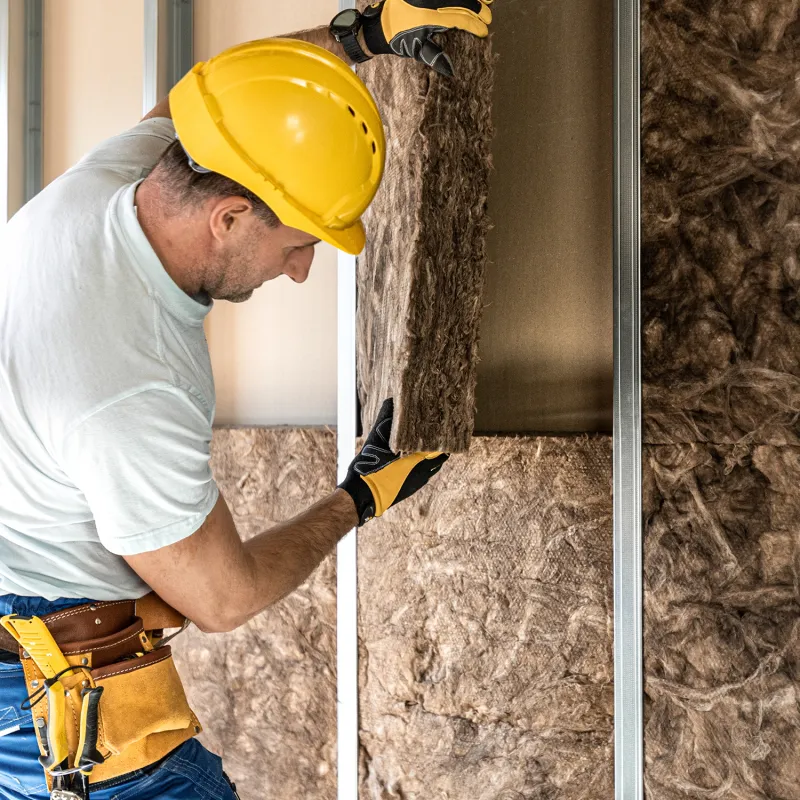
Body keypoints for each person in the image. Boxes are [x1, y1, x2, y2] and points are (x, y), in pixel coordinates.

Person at [0, 1, 493, 798]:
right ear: (229, 217)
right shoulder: (133, 384)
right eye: (299, 244)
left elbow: (205, 99)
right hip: (60, 712)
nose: (300, 271)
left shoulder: (121, 180)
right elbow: (223, 597)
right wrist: (356, 498)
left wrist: (361, 35)